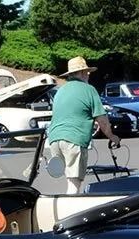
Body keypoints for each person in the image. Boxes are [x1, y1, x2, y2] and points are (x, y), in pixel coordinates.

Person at [46, 56, 120, 195]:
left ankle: (64, 203)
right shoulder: (89, 90)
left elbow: (69, 113)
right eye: (86, 72)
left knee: (69, 179)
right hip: (74, 139)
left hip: (54, 139)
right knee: (74, 183)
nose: (88, 74)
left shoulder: (60, 90)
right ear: (81, 73)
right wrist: (112, 137)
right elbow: (103, 120)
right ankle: (69, 208)